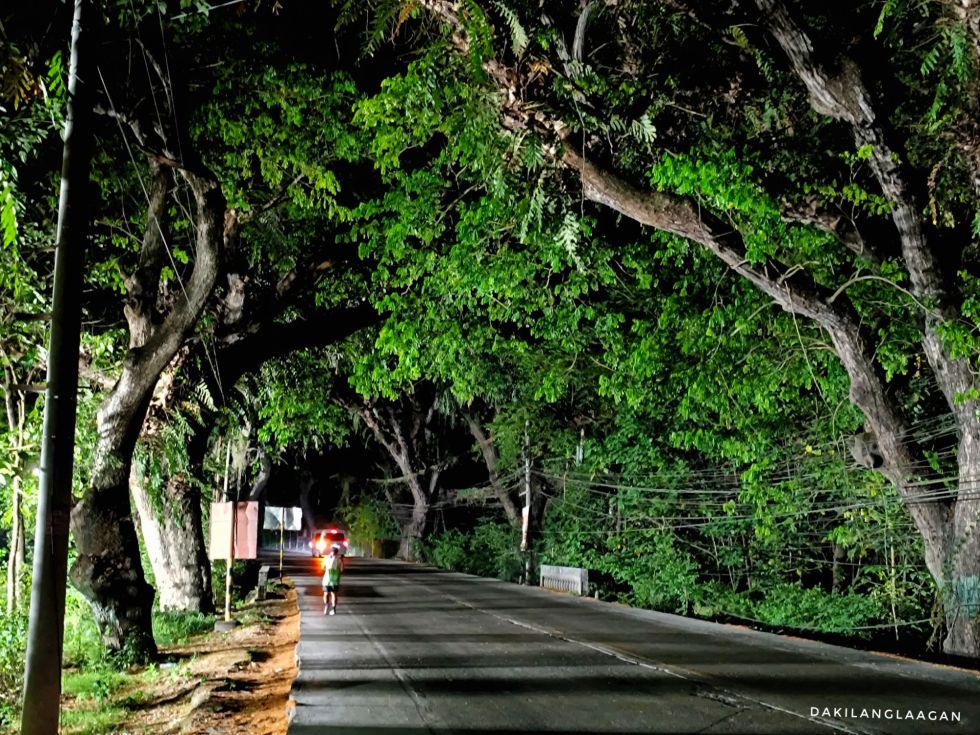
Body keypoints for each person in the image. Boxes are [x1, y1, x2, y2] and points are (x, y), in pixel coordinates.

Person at [322, 545, 343, 615]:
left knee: (331, 594)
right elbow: (323, 567)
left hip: (333, 580)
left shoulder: (339, 559)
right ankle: (328, 606)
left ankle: (332, 608)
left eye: (334, 551)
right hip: (328, 580)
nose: (333, 552)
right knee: (328, 594)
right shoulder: (327, 558)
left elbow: (341, 569)